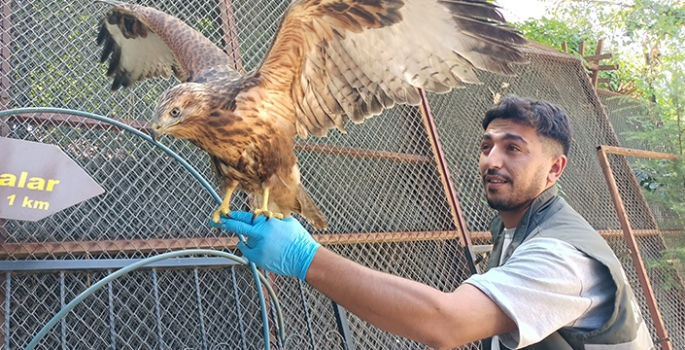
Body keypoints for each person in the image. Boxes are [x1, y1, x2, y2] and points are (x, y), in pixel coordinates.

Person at [211, 95, 654, 349]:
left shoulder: (562, 256)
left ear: (554, 170)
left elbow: (447, 322)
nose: (491, 160)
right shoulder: (517, 225)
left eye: (513, 148)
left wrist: (305, 257)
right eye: (486, 146)